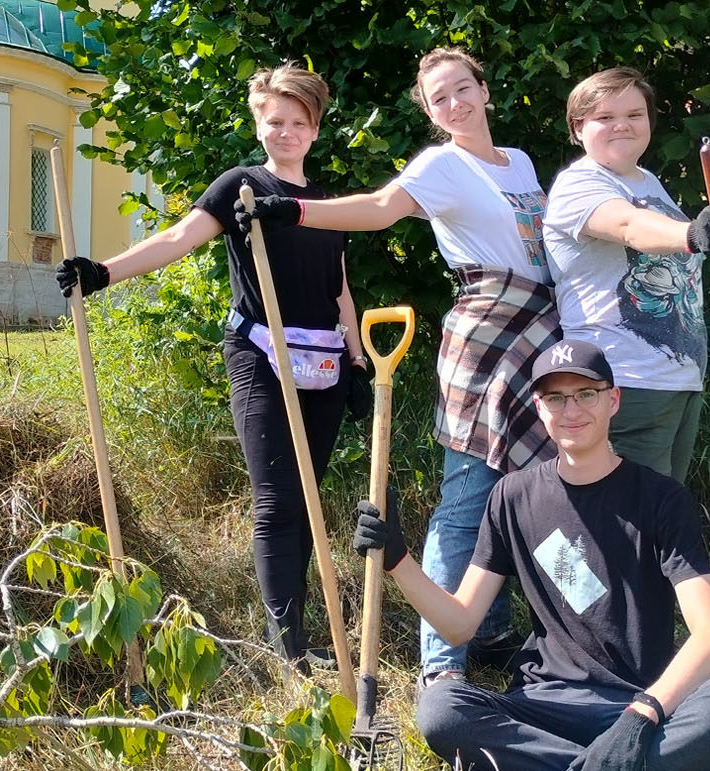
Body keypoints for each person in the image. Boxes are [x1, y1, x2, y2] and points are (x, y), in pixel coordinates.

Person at [238, 46, 561, 685]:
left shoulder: (519, 163)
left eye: (462, 89)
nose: (454, 104)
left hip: (540, 332)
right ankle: (441, 664)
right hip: (485, 330)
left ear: (484, 89)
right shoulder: (441, 164)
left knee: (527, 488)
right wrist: (292, 209)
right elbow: (381, 208)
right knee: (470, 491)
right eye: (438, 98)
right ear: (431, 112)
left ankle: (491, 628)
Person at [55, 63, 371, 673]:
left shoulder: (325, 203)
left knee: (309, 499)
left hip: (325, 363)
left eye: (298, 123)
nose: (285, 133)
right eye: (274, 121)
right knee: (278, 500)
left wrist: (356, 357)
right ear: (259, 125)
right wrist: (102, 272)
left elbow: (339, 287)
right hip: (261, 354)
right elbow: (179, 237)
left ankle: (310, 630)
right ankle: (292, 653)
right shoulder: (243, 187)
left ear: (315, 130)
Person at [353, 339, 710, 771]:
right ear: (539, 406)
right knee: (442, 708)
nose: (572, 411)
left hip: (639, 705)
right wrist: (397, 558)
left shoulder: (661, 499)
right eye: (556, 398)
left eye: (586, 394)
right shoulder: (512, 496)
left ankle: (608, 759)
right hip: (542, 708)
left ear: (613, 399)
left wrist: (641, 715)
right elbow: (459, 625)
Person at [543, 67, 710, 482]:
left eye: (635, 115)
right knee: (626, 518)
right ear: (578, 128)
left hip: (675, 378)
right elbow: (628, 227)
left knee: (661, 514)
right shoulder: (578, 184)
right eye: (605, 117)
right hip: (622, 382)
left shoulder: (648, 181)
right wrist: (692, 233)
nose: (623, 125)